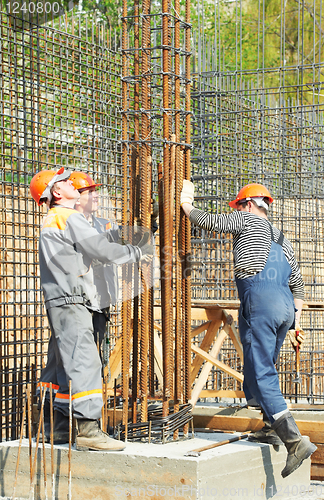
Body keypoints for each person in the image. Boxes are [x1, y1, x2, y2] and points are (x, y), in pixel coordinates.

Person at [180, 180, 317, 478]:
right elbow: (299, 286)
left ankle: (294, 442)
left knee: (262, 369)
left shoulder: (246, 218)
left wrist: (187, 204)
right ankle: (270, 428)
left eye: (239, 204)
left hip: (261, 298)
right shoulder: (282, 238)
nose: (238, 209)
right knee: (259, 368)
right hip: (284, 307)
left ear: (250, 204)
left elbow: (210, 221)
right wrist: (294, 322)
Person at [30, 167, 153, 451]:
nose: (70, 182)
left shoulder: (53, 220)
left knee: (64, 363)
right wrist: (137, 252)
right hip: (71, 299)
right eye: (63, 181)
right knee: (84, 360)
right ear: (56, 192)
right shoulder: (67, 216)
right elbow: (101, 249)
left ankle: (56, 427)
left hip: (62, 298)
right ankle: (88, 430)